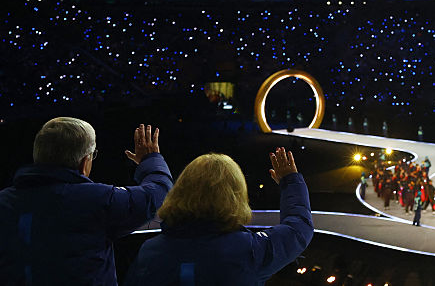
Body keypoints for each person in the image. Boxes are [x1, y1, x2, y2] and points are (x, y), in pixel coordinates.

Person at [0, 119, 172, 286]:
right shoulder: (97, 199)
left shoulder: (4, 201)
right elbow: (158, 192)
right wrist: (150, 159)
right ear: (85, 162)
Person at [126, 147, 311, 286]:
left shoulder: (150, 252)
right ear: (237, 196)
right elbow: (298, 228)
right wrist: (290, 181)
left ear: (180, 190)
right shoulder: (249, 251)